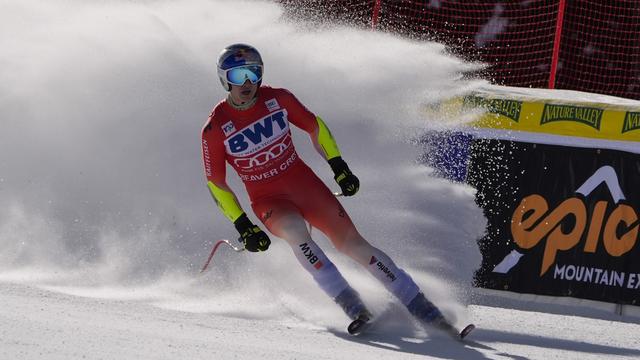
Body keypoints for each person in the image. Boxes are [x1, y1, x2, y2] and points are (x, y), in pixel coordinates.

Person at [201, 43, 462, 336]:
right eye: (238, 76)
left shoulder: (279, 98)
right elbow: (216, 183)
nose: (247, 83)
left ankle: (425, 309)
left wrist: (338, 166)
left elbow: (315, 127)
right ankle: (352, 305)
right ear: (224, 80)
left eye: (253, 73)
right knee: (296, 232)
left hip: (306, 186)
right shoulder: (215, 127)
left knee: (354, 245)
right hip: (269, 200)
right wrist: (243, 225)